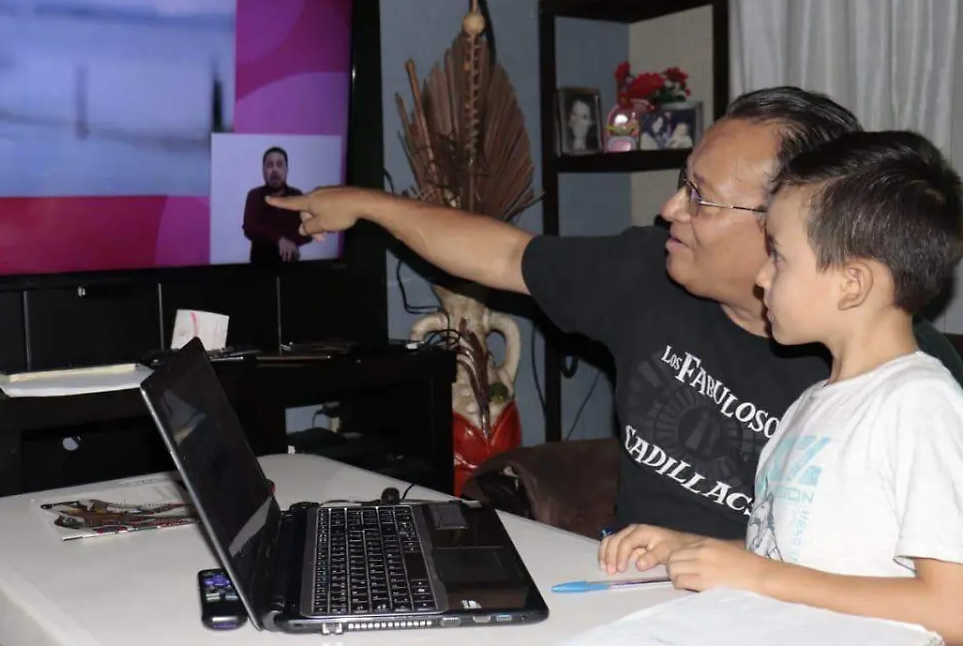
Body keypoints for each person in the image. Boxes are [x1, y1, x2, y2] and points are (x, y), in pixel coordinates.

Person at [265, 86, 963, 541]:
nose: (670, 209)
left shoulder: (893, 371)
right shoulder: (647, 270)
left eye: (700, 196)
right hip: (631, 596)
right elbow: (506, 255)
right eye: (682, 183)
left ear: (789, 221)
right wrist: (367, 204)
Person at [598, 130, 963, 643]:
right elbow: (794, 563)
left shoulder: (920, 404)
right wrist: (694, 549)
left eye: (780, 257)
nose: (762, 278)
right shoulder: (812, 404)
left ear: (852, 284)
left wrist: (757, 576)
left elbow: (952, 608)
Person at [242, 146, 310, 265]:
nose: (274, 170)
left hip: (290, 267)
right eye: (269, 165)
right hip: (259, 268)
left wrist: (293, 243)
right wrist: (279, 240)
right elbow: (250, 228)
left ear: (286, 170)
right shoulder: (254, 195)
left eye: (279, 165)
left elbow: (309, 230)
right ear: (263, 170)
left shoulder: (297, 196)